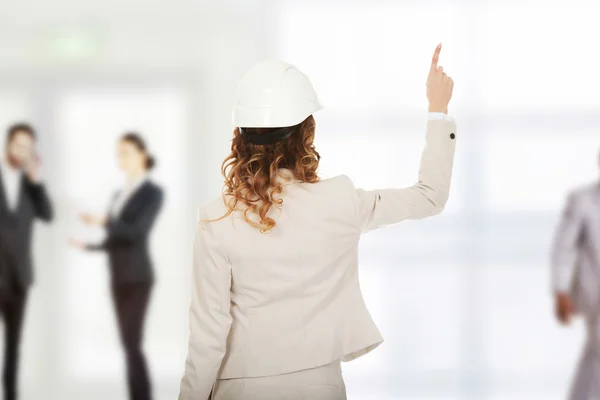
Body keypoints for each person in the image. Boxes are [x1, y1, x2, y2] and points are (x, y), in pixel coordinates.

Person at [178, 44, 456, 400]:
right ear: (305, 133)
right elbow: (430, 196)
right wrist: (438, 110)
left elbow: (207, 337)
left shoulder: (216, 218)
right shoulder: (341, 201)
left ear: (240, 137)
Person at [71, 133, 163, 400]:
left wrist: (103, 221)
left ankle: (141, 396)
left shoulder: (152, 193)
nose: (121, 158)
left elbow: (136, 232)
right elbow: (115, 239)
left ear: (142, 155)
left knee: (132, 343)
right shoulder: (117, 194)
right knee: (127, 344)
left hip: (137, 277)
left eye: (126, 152)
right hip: (118, 275)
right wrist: (88, 247)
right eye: (118, 153)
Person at [0, 123, 53, 400]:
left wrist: (36, 181)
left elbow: (47, 214)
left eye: (28, 147)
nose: (23, 152)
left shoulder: (30, 185)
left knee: (13, 348)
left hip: (19, 278)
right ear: (8, 144)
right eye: (19, 145)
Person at [551, 151, 600, 399]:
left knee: (595, 354)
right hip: (595, 292)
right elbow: (563, 248)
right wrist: (560, 291)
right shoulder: (583, 201)